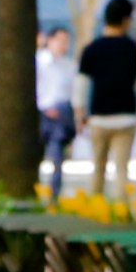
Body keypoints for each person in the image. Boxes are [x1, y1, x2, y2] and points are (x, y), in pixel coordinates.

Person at [78, 0, 136, 201]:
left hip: (98, 118)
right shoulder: (133, 49)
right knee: (122, 171)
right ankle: (120, 216)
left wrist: (79, 115)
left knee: (98, 169)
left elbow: (80, 87)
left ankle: (94, 214)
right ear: (125, 20)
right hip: (126, 117)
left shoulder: (93, 49)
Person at [34, 26, 79, 194]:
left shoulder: (69, 65)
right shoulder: (39, 62)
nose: (63, 45)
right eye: (59, 40)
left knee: (57, 156)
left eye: (66, 41)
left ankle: (54, 192)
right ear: (49, 40)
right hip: (42, 113)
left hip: (61, 115)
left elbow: (72, 93)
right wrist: (45, 107)